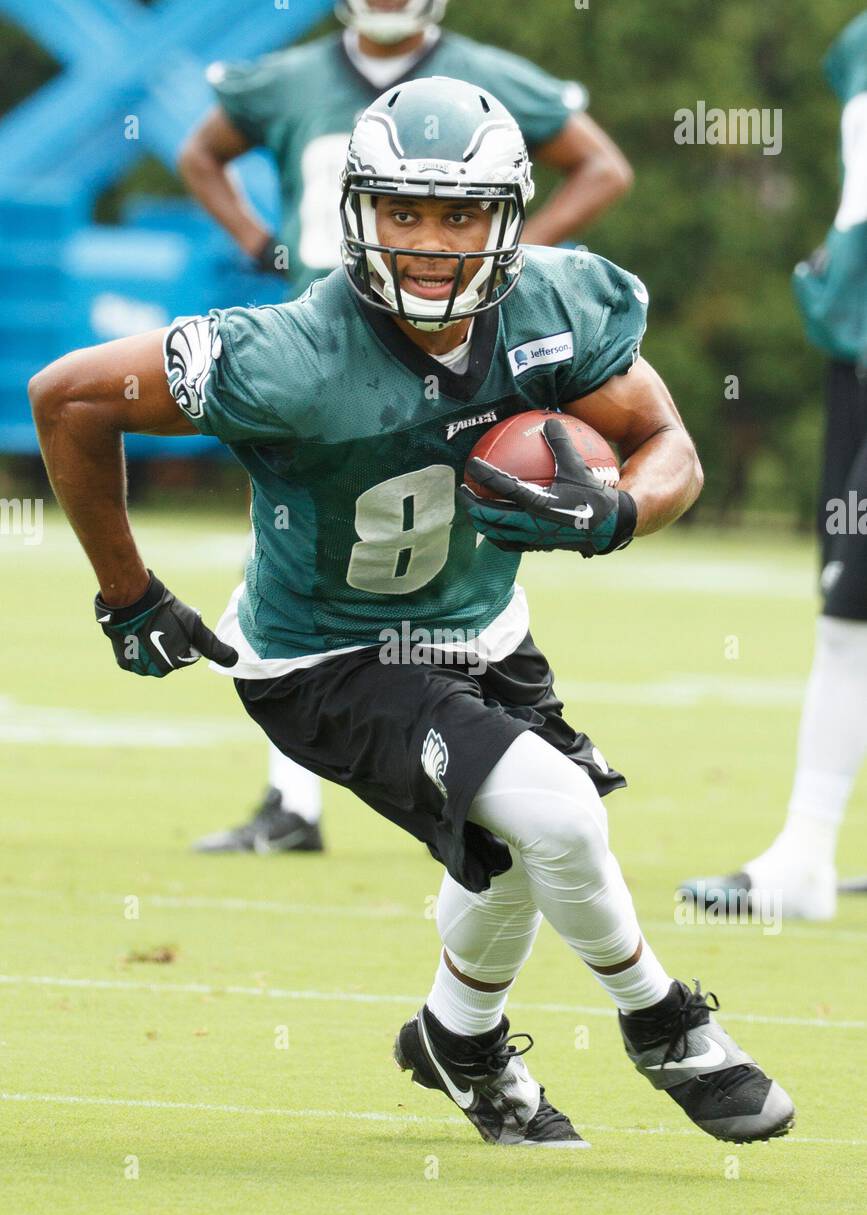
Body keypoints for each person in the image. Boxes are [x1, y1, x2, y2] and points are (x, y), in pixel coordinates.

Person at [29, 77, 793, 1146]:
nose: (432, 241)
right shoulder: (291, 354)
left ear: (506, 218)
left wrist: (619, 511)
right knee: (560, 811)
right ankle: (664, 1025)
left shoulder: (557, 306)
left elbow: (672, 444)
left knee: (517, 843)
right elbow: (66, 397)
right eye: (405, 211)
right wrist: (129, 593)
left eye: (461, 214)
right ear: (360, 212)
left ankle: (459, 1040)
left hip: (486, 627)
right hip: (328, 656)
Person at [179, 0, 633, 855]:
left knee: (438, 553)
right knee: (311, 562)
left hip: (456, 340)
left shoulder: (491, 78)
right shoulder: (285, 77)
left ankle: (491, 748)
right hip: (324, 354)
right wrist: (253, 238)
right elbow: (200, 154)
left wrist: (513, 259)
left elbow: (601, 167)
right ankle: (303, 800)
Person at [679, 10, 867, 922]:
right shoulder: (855, 43)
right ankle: (804, 856)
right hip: (859, 349)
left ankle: (804, 856)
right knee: (848, 608)